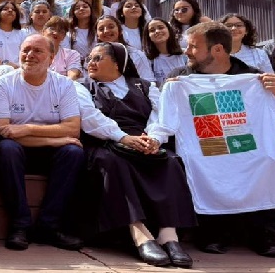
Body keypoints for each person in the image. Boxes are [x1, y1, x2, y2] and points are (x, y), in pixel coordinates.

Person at [167, 22, 275, 257]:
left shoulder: (254, 80)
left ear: (217, 50)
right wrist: (169, 93)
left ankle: (265, 235)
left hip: (244, 146)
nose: (186, 52)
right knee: (200, 162)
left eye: (193, 47)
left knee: (267, 158)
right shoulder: (179, 79)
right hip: (206, 146)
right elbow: (166, 122)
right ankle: (212, 233)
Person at [83, 42, 195, 268]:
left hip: (144, 140)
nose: (90, 63)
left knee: (170, 161)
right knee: (113, 163)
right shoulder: (82, 87)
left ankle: (168, 234)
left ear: (116, 63)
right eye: (89, 59)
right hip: (107, 142)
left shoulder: (145, 86)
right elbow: (89, 117)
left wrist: (153, 139)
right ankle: (139, 232)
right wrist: (123, 138)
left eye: (97, 58)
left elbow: (161, 116)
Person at [0, 34, 85, 251]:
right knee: (7, 148)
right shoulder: (2, 84)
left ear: (51, 58)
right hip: (18, 151)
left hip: (44, 152)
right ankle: (19, 225)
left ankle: (47, 226)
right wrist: (54, 140)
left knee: (73, 153)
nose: (30, 55)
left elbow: (72, 128)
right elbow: (3, 131)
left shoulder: (64, 85)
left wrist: (27, 128)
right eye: (26, 50)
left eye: (38, 51)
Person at [95, 16, 155, 84]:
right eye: (101, 29)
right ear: (97, 35)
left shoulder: (136, 55)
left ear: (120, 30)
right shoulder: (93, 59)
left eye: (111, 27)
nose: (106, 31)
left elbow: (149, 83)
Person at [141, 18, 187, 87]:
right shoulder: (145, 58)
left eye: (161, 28)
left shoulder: (185, 54)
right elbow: (150, 86)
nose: (157, 31)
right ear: (148, 36)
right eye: (152, 30)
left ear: (169, 30)